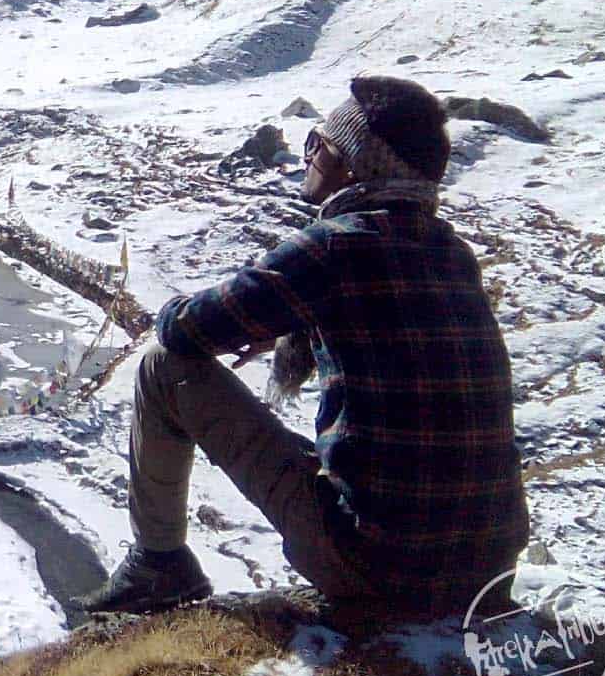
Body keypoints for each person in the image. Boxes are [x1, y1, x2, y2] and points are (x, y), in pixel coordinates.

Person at [74, 75, 528, 619]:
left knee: (161, 367)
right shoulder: (451, 251)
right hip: (486, 566)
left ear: (357, 164)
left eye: (322, 143)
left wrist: (262, 316)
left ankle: (158, 565)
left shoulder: (335, 245)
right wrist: (297, 321)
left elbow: (183, 330)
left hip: (379, 566)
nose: (308, 152)